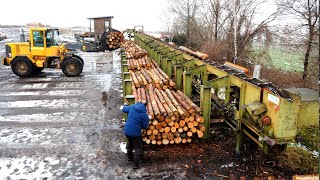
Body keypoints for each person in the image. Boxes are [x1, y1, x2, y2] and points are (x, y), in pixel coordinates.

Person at [120, 101, 151, 169]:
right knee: (138, 148)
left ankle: (129, 158)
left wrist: (125, 105)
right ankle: (135, 164)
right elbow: (145, 126)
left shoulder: (132, 107)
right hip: (136, 134)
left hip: (127, 131)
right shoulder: (144, 115)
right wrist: (148, 119)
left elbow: (123, 109)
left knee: (130, 144)